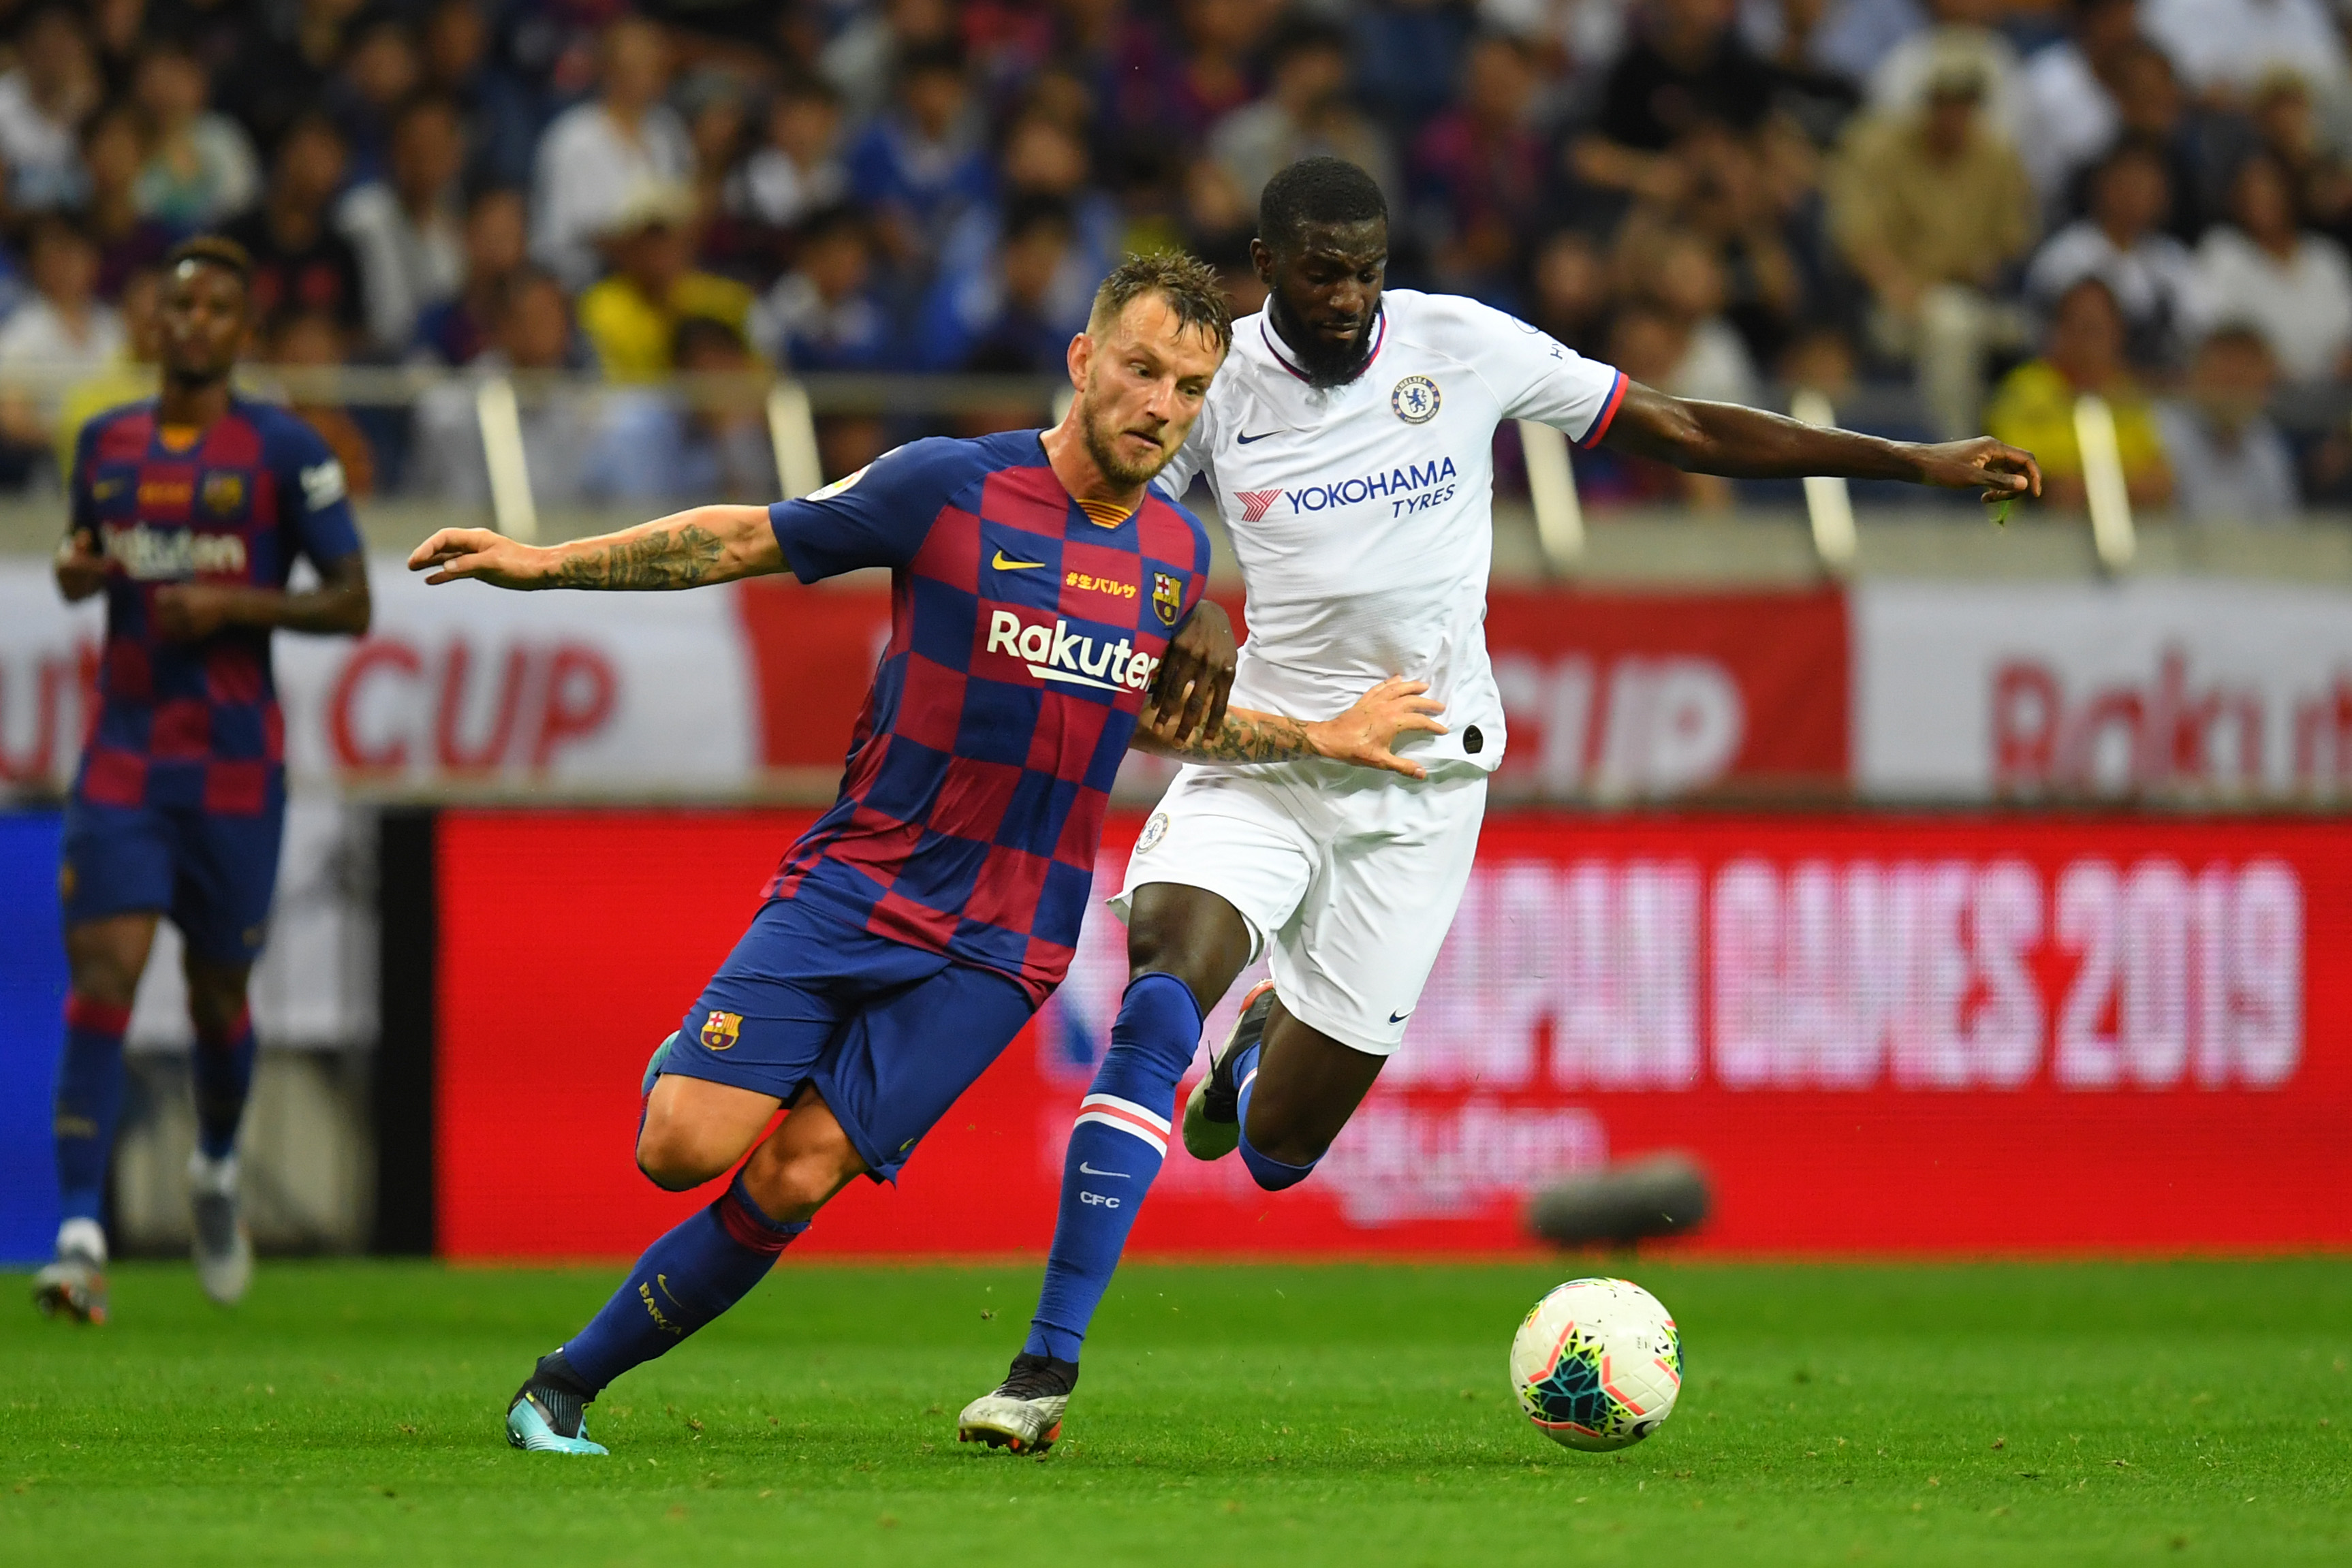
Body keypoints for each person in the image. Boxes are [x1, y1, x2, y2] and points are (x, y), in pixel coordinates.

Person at [954, 157, 2041, 1454]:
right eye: (1320, 270)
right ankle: (1041, 1369)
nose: (1350, 294)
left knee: (1279, 1151)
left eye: (1365, 266)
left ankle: (1258, 1051)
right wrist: (1178, 607)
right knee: (1155, 990)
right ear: (1266, 263)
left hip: (1424, 781)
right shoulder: (1213, 378)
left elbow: (1683, 427)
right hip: (1274, 750)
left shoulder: (1461, 344)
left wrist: (1915, 460)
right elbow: (1118, 515)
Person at [401, 252, 1441, 1455]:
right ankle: (692, 1065)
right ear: (1083, 361)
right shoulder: (950, 488)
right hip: (860, 884)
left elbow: (1148, 715)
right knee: (678, 1149)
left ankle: (560, 1388)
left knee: (794, 1177)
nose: (1161, 405)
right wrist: (544, 562)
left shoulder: (1171, 558)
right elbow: (747, 535)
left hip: (1005, 942)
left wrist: (1321, 734)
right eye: (1143, 369)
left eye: (1191, 387)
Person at [31, 236, 371, 1326]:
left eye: (216, 307)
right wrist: (75, 574)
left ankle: (217, 1165)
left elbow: (353, 600)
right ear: (154, 320)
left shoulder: (282, 449)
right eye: (178, 304)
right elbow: (86, 556)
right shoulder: (104, 441)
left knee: (219, 993)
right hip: (124, 758)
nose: (192, 322)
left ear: (243, 330)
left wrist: (238, 607)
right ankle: (80, 1234)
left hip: (233, 770)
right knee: (105, 980)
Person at [1986, 275, 2173, 511]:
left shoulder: (2128, 396)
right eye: (2081, 327)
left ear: (2117, 335)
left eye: (2098, 329)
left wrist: (2091, 489)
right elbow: (2029, 478)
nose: (2089, 342)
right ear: (2059, 330)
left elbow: (2161, 482)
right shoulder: (2023, 390)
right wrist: (2125, 488)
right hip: (2032, 532)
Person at [2156, 324, 2300, 523]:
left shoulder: (2267, 445)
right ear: (2195, 374)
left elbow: (2285, 532)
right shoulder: (2160, 433)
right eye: (2225, 368)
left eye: (2246, 372)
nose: (2235, 380)